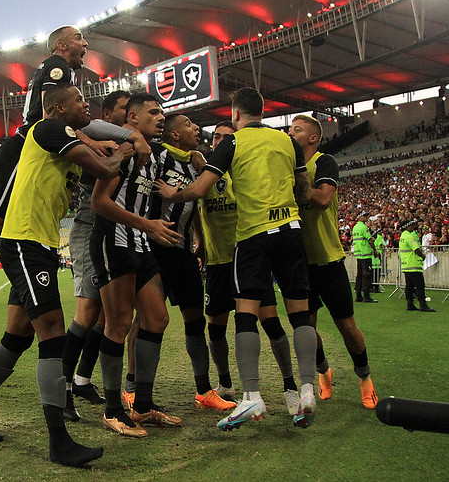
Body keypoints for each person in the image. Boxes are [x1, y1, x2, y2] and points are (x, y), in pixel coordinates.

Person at [0, 83, 134, 467]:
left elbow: (97, 177)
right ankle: (59, 442)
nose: (86, 105)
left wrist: (108, 154)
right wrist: (124, 147)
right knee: (51, 331)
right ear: (56, 108)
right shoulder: (49, 130)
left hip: (39, 244)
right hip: (25, 242)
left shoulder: (64, 146)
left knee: (16, 337)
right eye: (79, 101)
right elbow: (103, 170)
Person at [0, 26, 151, 329]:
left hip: (41, 155)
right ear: (61, 45)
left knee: (5, 233)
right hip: (26, 149)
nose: (85, 43)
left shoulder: (63, 78)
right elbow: (52, 119)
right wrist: (99, 142)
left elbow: (73, 125)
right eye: (78, 39)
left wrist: (122, 137)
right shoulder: (58, 68)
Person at [154, 87, 317, 430]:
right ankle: (305, 390)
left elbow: (198, 190)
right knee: (300, 314)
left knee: (245, 317)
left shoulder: (232, 144)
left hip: (253, 237)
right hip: (291, 231)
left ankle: (252, 397)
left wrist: (173, 193)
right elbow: (303, 190)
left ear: (235, 113)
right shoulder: (286, 141)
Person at [91, 93, 184, 438]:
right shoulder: (123, 150)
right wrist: (148, 225)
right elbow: (98, 202)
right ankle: (113, 410)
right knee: (117, 325)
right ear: (132, 118)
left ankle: (142, 405)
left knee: (157, 318)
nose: (162, 117)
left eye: (163, 112)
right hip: (112, 241)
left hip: (140, 243)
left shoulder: (159, 155)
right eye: (153, 112)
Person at [197, 121, 300, 417]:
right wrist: (199, 242)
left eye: (227, 137)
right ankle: (226, 384)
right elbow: (196, 211)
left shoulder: (246, 173)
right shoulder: (206, 175)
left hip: (249, 258)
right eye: (216, 137)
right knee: (215, 327)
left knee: (270, 322)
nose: (220, 141)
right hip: (218, 263)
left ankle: (289, 386)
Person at [146, 112, 237, 412]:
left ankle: (203, 391)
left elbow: (195, 207)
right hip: (153, 249)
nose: (197, 127)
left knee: (195, 321)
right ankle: (135, 390)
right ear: (174, 135)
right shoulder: (156, 155)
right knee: (148, 322)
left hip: (182, 251)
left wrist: (198, 242)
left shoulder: (197, 164)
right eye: (188, 125)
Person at [288, 114, 378, 409]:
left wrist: (295, 187)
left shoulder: (324, 162)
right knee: (307, 329)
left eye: (296, 129)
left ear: (313, 138)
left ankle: (364, 377)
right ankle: (324, 371)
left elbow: (324, 199)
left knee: (347, 326)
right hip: (299, 263)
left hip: (328, 259)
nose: (290, 132)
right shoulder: (286, 166)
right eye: (289, 128)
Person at [62, 90, 131, 422]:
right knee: (88, 311)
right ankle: (59, 390)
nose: (128, 117)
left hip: (113, 227)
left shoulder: (109, 139)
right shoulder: (94, 133)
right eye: (123, 111)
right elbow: (83, 135)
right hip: (90, 226)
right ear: (108, 113)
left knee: (104, 314)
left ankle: (81, 380)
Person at [399, 219, 436, 312]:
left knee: (409, 286)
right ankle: (423, 305)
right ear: (407, 227)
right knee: (419, 285)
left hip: (406, 265)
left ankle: (410, 304)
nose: (413, 227)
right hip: (413, 264)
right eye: (411, 225)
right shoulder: (409, 237)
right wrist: (423, 256)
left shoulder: (402, 236)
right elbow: (416, 249)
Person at [352, 211, 378, 303]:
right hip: (365, 254)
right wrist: (375, 251)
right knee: (367, 275)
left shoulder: (355, 227)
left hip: (359, 254)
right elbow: (370, 240)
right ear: (360, 217)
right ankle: (366, 296)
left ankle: (358, 295)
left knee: (359, 275)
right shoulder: (364, 227)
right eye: (365, 216)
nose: (367, 217)